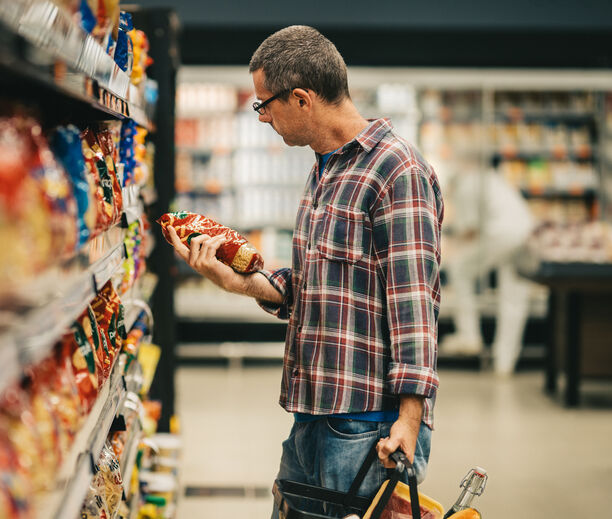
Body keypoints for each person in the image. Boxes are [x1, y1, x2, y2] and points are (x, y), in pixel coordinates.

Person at [165, 26, 443, 515]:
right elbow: (314, 289)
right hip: (313, 412)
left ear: (301, 99)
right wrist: (237, 281)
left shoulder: (397, 171)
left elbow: (414, 304)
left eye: (264, 105)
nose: (262, 117)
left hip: (367, 424)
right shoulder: (325, 169)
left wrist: (410, 417)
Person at [440, 157, 535, 375]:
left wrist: (448, 244)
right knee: (514, 298)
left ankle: (469, 336)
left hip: (500, 233)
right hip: (525, 232)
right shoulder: (489, 178)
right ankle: (505, 363)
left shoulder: (464, 186)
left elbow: (471, 230)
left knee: (460, 269)